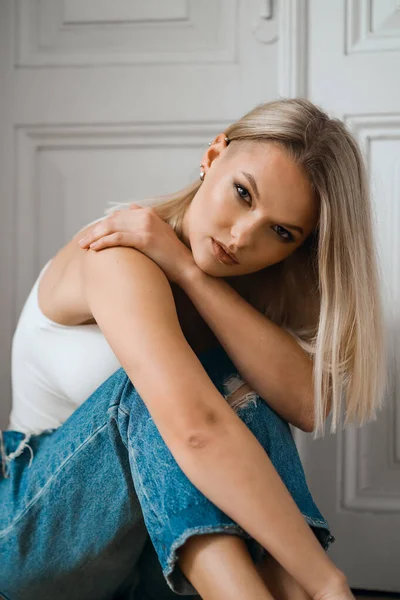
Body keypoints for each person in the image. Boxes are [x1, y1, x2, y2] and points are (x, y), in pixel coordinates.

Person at [0, 98, 387, 600]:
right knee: (166, 393)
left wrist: (187, 271)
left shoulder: (235, 291)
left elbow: (307, 405)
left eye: (280, 232)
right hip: (31, 532)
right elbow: (195, 429)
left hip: (152, 550)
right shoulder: (117, 253)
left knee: (235, 384)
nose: (242, 236)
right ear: (213, 156)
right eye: (243, 193)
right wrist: (327, 580)